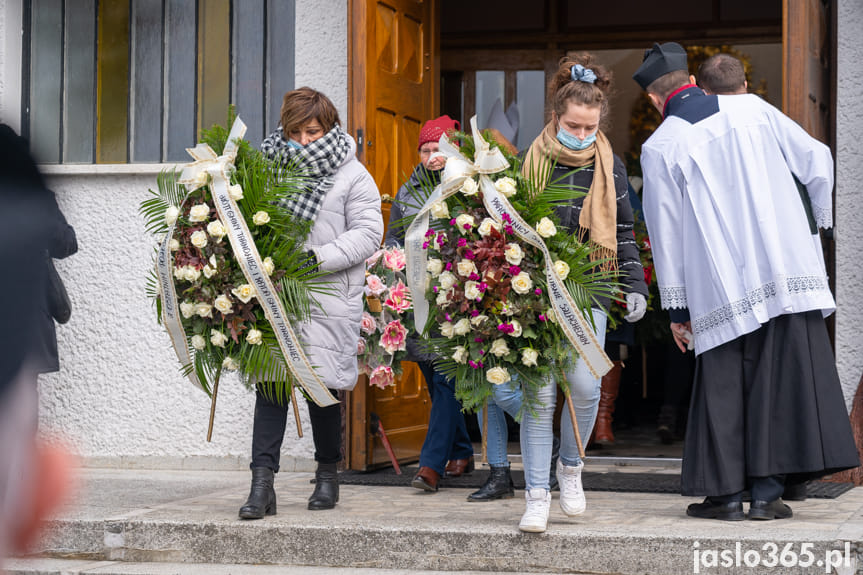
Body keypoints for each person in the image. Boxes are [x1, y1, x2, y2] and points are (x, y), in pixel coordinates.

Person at [633, 42, 859, 521]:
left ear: (655, 100)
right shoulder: (752, 108)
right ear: (692, 83)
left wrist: (677, 310)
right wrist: (816, 224)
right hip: (784, 272)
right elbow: (817, 159)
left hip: (720, 286)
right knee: (777, 382)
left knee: (723, 387)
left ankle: (727, 497)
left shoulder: (659, 147)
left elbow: (666, 233)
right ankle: (767, 496)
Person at [491, 55, 649, 533]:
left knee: (584, 385)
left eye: (590, 127)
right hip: (536, 292)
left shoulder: (611, 166)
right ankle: (536, 493)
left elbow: (623, 230)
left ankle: (571, 468)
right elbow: (504, 231)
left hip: (589, 289)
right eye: (574, 126)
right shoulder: (527, 164)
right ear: (556, 117)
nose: (582, 135)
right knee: (539, 393)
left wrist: (635, 281)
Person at [239, 87, 382, 518]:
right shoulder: (266, 167)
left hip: (324, 296)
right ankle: (262, 485)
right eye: (295, 131)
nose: (304, 141)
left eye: (313, 131)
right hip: (276, 296)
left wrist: (315, 258)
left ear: (329, 127)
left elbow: (367, 234)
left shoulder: (353, 175)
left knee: (322, 391)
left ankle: (327, 476)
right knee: (271, 389)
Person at [384, 115, 476, 492]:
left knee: (445, 380)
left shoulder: (466, 186)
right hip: (417, 301)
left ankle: (430, 466)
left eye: (439, 149)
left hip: (454, 301)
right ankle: (462, 449)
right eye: (426, 149)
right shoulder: (407, 192)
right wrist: (391, 280)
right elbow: (393, 238)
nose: (432, 156)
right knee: (433, 380)